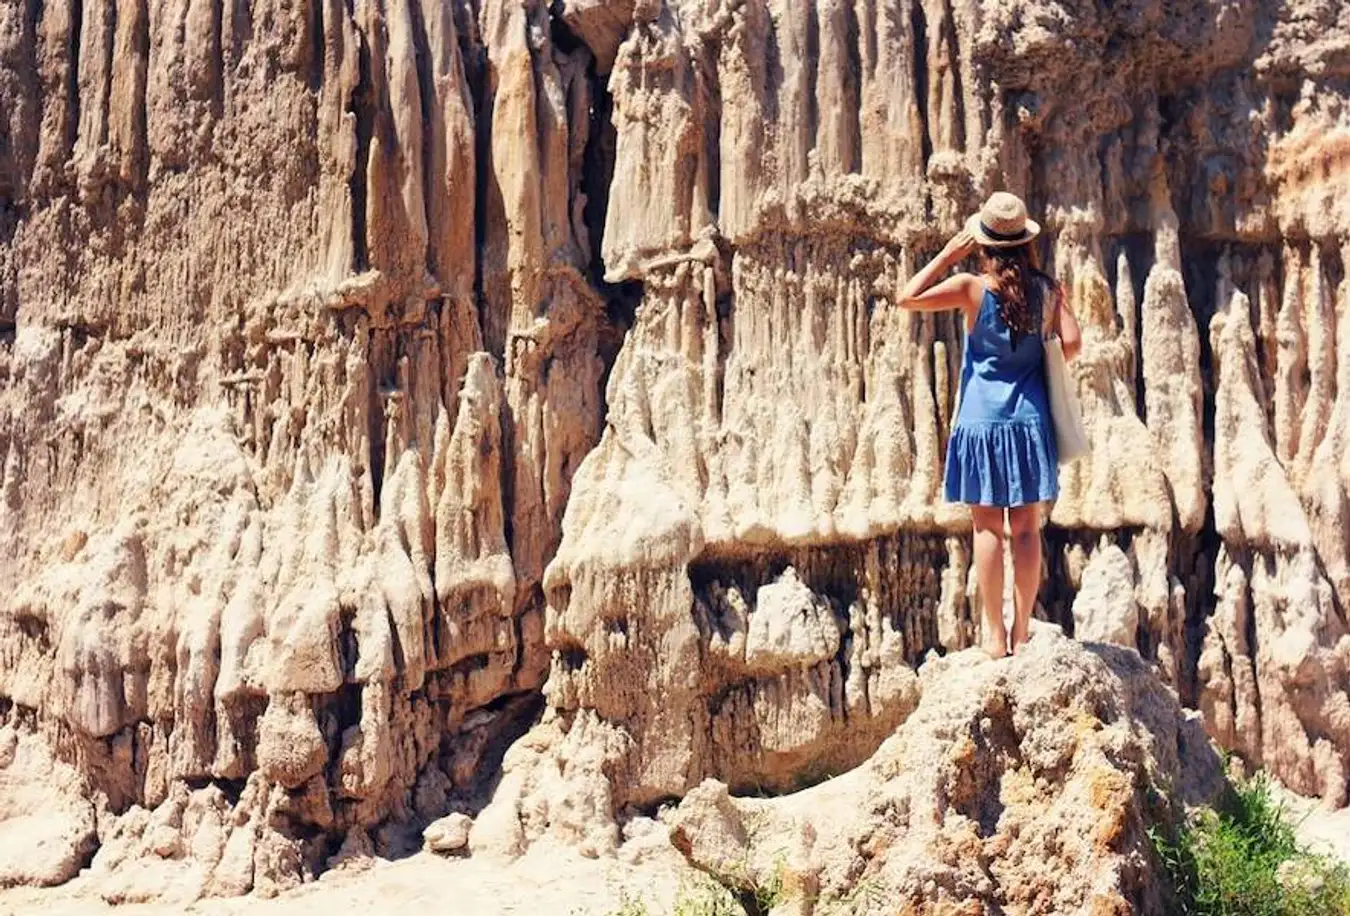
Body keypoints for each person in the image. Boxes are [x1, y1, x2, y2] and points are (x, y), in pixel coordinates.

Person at [898, 192, 1082, 658]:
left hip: (981, 420)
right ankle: (1023, 631)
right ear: (1024, 242)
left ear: (983, 243)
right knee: (1025, 530)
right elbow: (1073, 343)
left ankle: (995, 635)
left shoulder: (971, 288)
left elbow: (907, 297)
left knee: (986, 531)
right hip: (1029, 421)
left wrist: (946, 255)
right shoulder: (1047, 290)